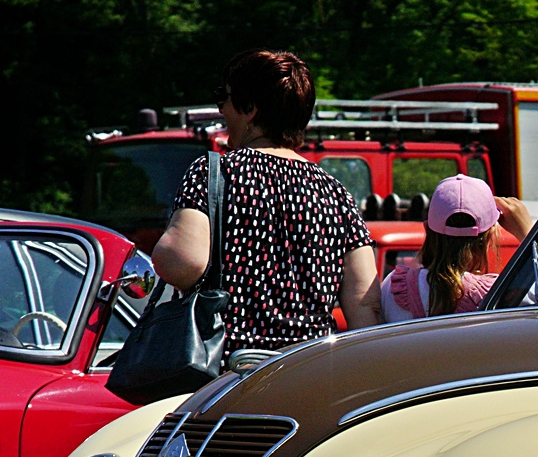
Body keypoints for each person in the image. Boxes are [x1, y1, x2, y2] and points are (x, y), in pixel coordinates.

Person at [153, 49, 379, 353]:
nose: (221, 110)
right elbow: (367, 307)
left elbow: (182, 265)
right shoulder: (337, 193)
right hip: (309, 372)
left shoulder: (214, 173)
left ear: (250, 110)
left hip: (229, 371)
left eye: (224, 98)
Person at [378, 174, 538, 322]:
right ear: (489, 237)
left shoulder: (393, 289)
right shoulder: (495, 294)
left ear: (427, 230)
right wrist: (529, 233)